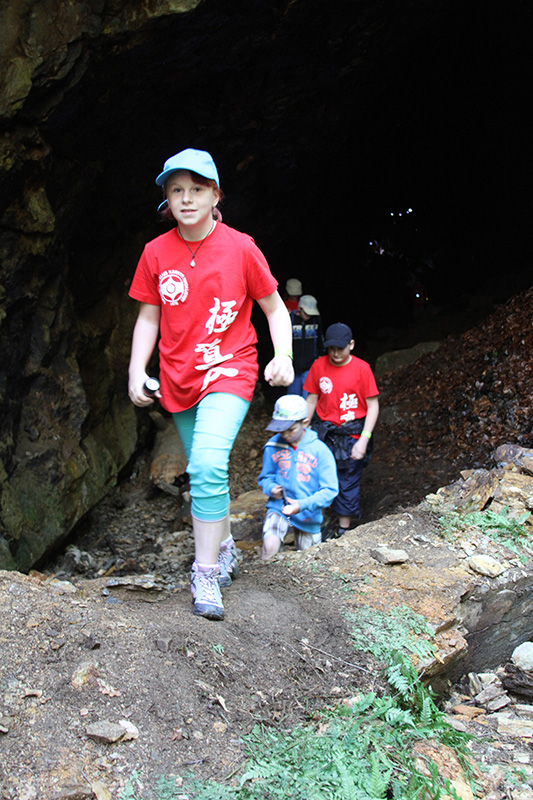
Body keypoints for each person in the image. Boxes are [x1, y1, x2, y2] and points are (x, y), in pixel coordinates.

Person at [128, 148, 294, 621]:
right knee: (207, 474)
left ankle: (203, 573)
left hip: (230, 369)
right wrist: (136, 370)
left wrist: (283, 356)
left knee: (204, 464)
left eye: (197, 189)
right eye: (176, 190)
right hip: (178, 378)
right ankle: (224, 548)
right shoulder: (155, 253)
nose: (186, 198)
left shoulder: (241, 248)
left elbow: (275, 309)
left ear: (216, 195)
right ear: (166, 198)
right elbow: (148, 317)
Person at [304, 323, 379, 539]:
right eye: (331, 349)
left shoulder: (362, 369)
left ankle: (343, 530)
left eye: (340, 348)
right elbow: (311, 399)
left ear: (351, 345)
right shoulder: (319, 366)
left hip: (351, 432)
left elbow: (373, 405)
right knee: (318, 476)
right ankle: (319, 523)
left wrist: (364, 439)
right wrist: (303, 428)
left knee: (348, 479)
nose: (335, 354)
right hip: (325, 431)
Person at [258, 395, 338, 559]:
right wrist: (271, 488)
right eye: (281, 430)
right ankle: (265, 568)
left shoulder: (319, 450)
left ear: (305, 423)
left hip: (308, 512)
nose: (285, 435)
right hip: (279, 507)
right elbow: (266, 477)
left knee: (308, 558)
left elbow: (330, 490)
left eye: (291, 429)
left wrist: (302, 505)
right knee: (270, 543)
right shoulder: (273, 446)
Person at [287, 294, 325, 397]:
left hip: (310, 366)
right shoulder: (290, 319)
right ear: (300, 309)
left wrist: (321, 355)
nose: (309, 316)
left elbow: (320, 339)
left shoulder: (316, 320)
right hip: (293, 367)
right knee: (293, 397)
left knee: (308, 396)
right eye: (307, 313)